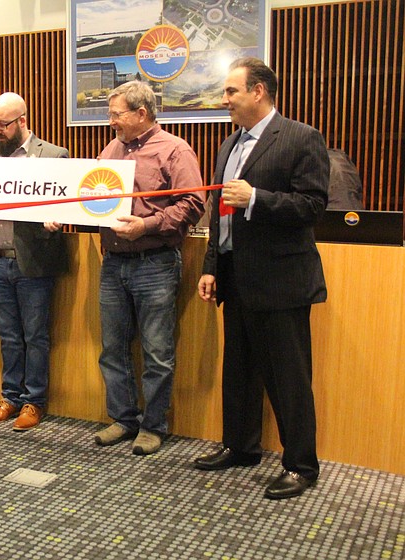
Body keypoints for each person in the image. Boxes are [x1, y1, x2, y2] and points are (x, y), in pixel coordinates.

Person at [194, 58, 329, 500]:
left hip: (281, 280)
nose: (225, 100)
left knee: (289, 378)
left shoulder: (300, 137)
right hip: (235, 277)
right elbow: (220, 216)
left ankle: (301, 465)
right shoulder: (228, 145)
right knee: (240, 370)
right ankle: (240, 446)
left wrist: (258, 198)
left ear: (259, 91)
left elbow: (312, 206)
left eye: (231, 91)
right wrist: (212, 265)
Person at [94, 81, 206, 455]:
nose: (111, 122)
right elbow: (93, 196)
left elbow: (193, 203)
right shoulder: (111, 149)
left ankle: (154, 426)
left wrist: (147, 225)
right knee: (113, 348)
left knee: (157, 352)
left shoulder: (175, 150)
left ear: (141, 114)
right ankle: (123, 419)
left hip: (154, 263)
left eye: (116, 114)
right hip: (113, 265)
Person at [0, 92, 69, 431]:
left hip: (33, 262)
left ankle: (34, 401)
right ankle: (10, 397)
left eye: (3, 125)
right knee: (8, 335)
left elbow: (66, 204)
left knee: (35, 336)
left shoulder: (54, 155)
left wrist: (57, 217)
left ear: (23, 121)